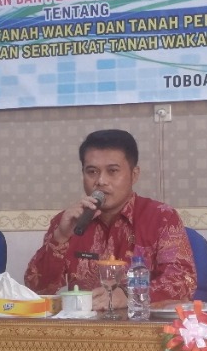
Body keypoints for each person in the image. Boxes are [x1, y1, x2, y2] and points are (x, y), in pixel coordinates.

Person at [25, 129, 196, 311]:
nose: (101, 181)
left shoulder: (161, 218)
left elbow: (183, 281)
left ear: (134, 174)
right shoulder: (69, 221)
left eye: (112, 171)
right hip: (85, 325)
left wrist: (130, 294)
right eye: (92, 172)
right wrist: (60, 238)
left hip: (143, 325)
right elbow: (36, 289)